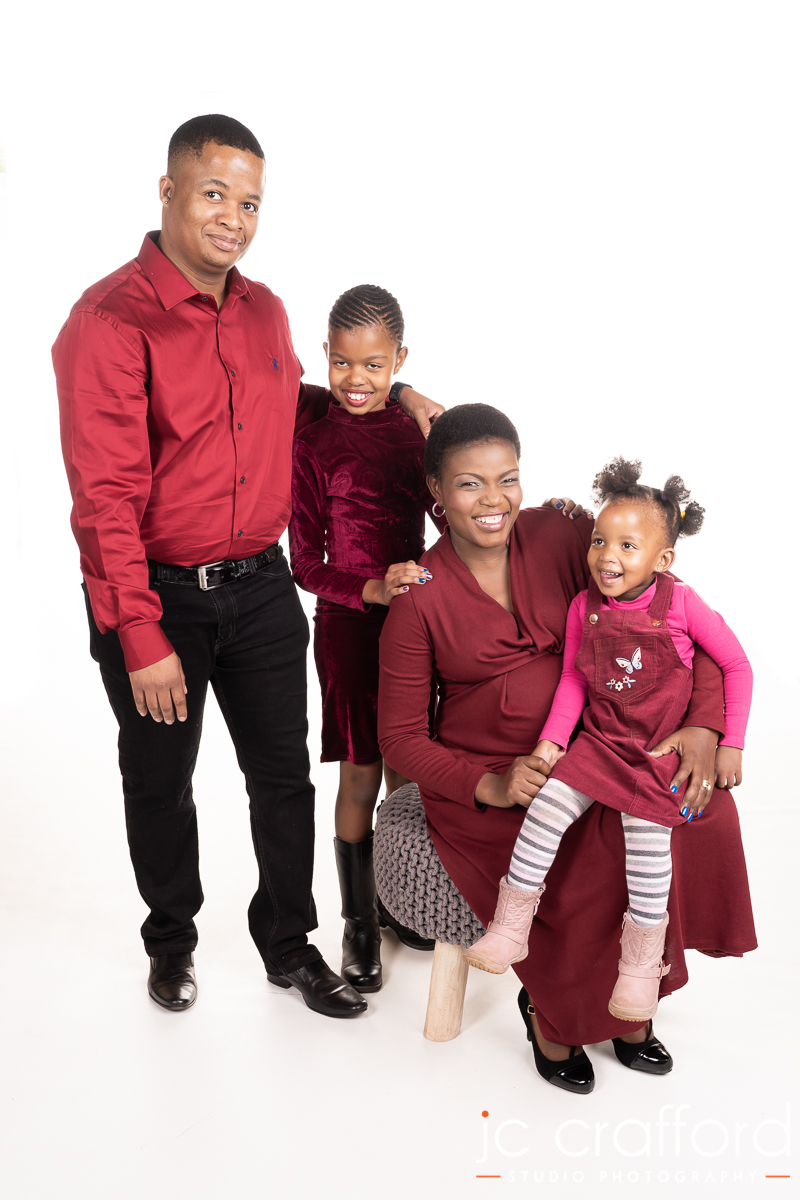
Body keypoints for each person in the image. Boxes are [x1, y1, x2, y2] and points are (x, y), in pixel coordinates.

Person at [52, 114, 441, 1019]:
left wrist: (400, 394)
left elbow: (294, 402)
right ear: (169, 191)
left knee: (284, 779)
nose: (234, 217)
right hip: (158, 597)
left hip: (263, 587)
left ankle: (289, 944)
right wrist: (139, 632)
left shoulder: (265, 310)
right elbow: (103, 498)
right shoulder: (109, 322)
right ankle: (171, 943)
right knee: (162, 782)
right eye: (215, 194)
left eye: (252, 203)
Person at [378, 405, 756, 1093]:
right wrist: (488, 786)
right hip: (494, 778)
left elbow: (673, 616)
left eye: (508, 479)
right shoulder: (418, 597)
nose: (493, 500)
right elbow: (399, 738)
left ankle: (634, 997)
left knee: (699, 814)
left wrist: (706, 726)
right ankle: (555, 1014)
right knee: (587, 851)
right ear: (435, 490)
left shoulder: (560, 532)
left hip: (607, 745)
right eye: (469, 484)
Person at [290, 285, 590, 991]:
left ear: (400, 361)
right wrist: (372, 588)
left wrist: (551, 516)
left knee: (416, 768)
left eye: (374, 366)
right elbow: (304, 562)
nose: (356, 380)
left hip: (430, 619)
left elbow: (468, 504)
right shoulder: (311, 442)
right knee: (362, 770)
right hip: (353, 627)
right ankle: (359, 922)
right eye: (341, 364)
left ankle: (403, 896)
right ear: (324, 356)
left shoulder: (416, 431)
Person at [464, 458, 753, 1031]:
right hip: (600, 743)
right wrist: (551, 744)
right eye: (599, 540)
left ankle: (640, 965)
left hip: (656, 755)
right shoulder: (584, 607)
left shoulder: (681, 604)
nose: (606, 556)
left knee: (647, 845)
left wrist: (731, 745)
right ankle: (511, 926)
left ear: (663, 560)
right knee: (546, 810)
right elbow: (574, 681)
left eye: (627, 545)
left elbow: (735, 664)